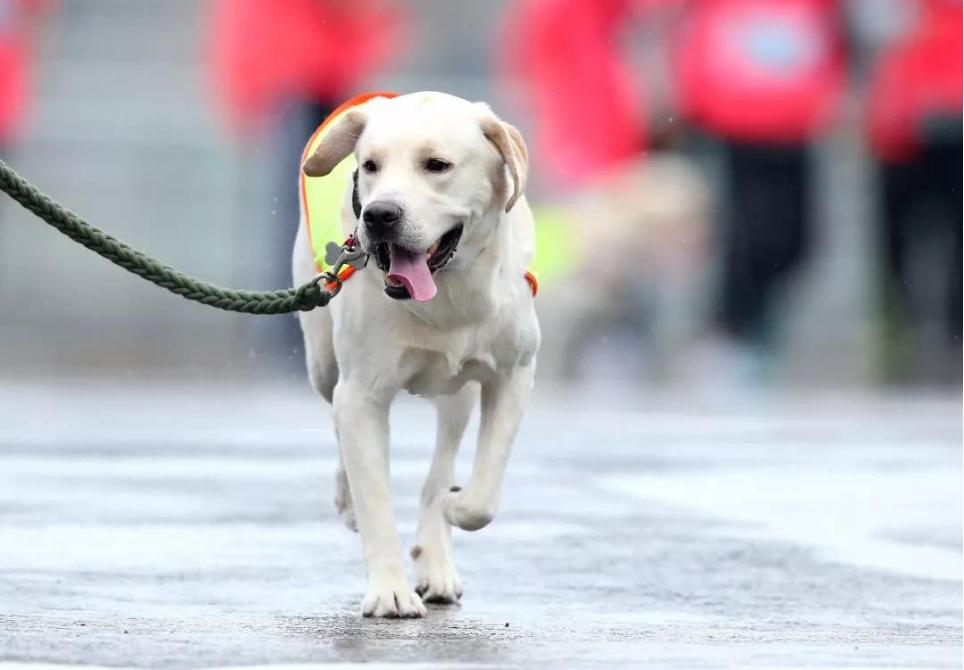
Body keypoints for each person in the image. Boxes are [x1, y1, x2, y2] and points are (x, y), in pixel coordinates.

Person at [864, 0, 962, 382]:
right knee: (895, 237)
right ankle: (898, 325)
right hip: (900, 121)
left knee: (957, 234)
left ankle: (955, 331)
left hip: (955, 117)